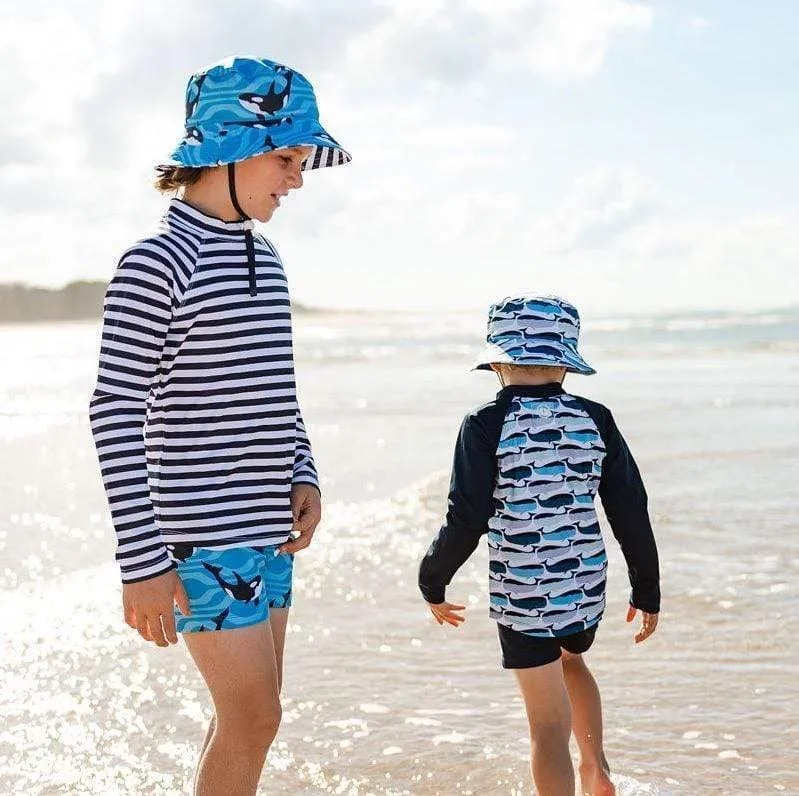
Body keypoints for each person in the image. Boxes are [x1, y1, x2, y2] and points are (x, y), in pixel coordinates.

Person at [89, 55, 350, 795]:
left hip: (267, 523)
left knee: (249, 719)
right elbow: (113, 409)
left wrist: (304, 474)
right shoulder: (153, 263)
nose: (297, 178)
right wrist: (141, 560)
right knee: (253, 717)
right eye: (287, 158)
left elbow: (276, 390)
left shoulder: (267, 260)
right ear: (232, 148)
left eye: (302, 161)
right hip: (202, 529)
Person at [418, 295, 660, 796]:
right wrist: (647, 590)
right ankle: (597, 768)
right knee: (572, 661)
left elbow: (467, 517)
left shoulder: (485, 423)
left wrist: (433, 579)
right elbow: (630, 509)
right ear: (566, 363)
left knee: (547, 729)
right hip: (584, 582)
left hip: (525, 594)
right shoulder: (596, 418)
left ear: (499, 360)